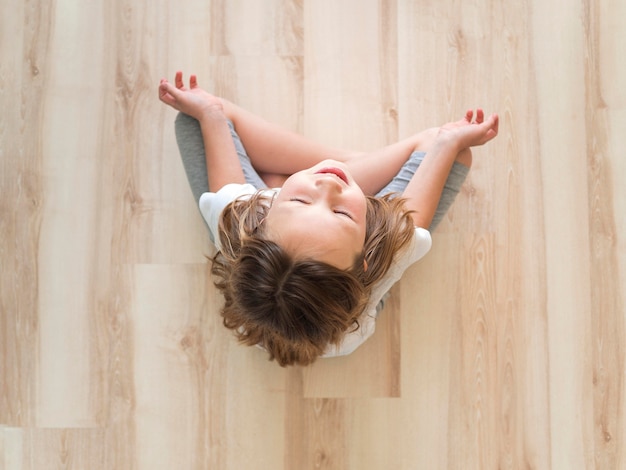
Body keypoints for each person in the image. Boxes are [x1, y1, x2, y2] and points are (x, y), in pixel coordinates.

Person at [158, 71, 499, 367]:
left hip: (273, 209)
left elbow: (220, 144)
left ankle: (317, 174)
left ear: (258, 222)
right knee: (455, 151)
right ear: (367, 257)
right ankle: (337, 168)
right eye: (341, 213)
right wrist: (448, 142)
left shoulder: (236, 221)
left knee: (198, 116)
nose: (327, 186)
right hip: (350, 256)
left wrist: (211, 114)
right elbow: (435, 158)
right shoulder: (391, 246)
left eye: (301, 199)